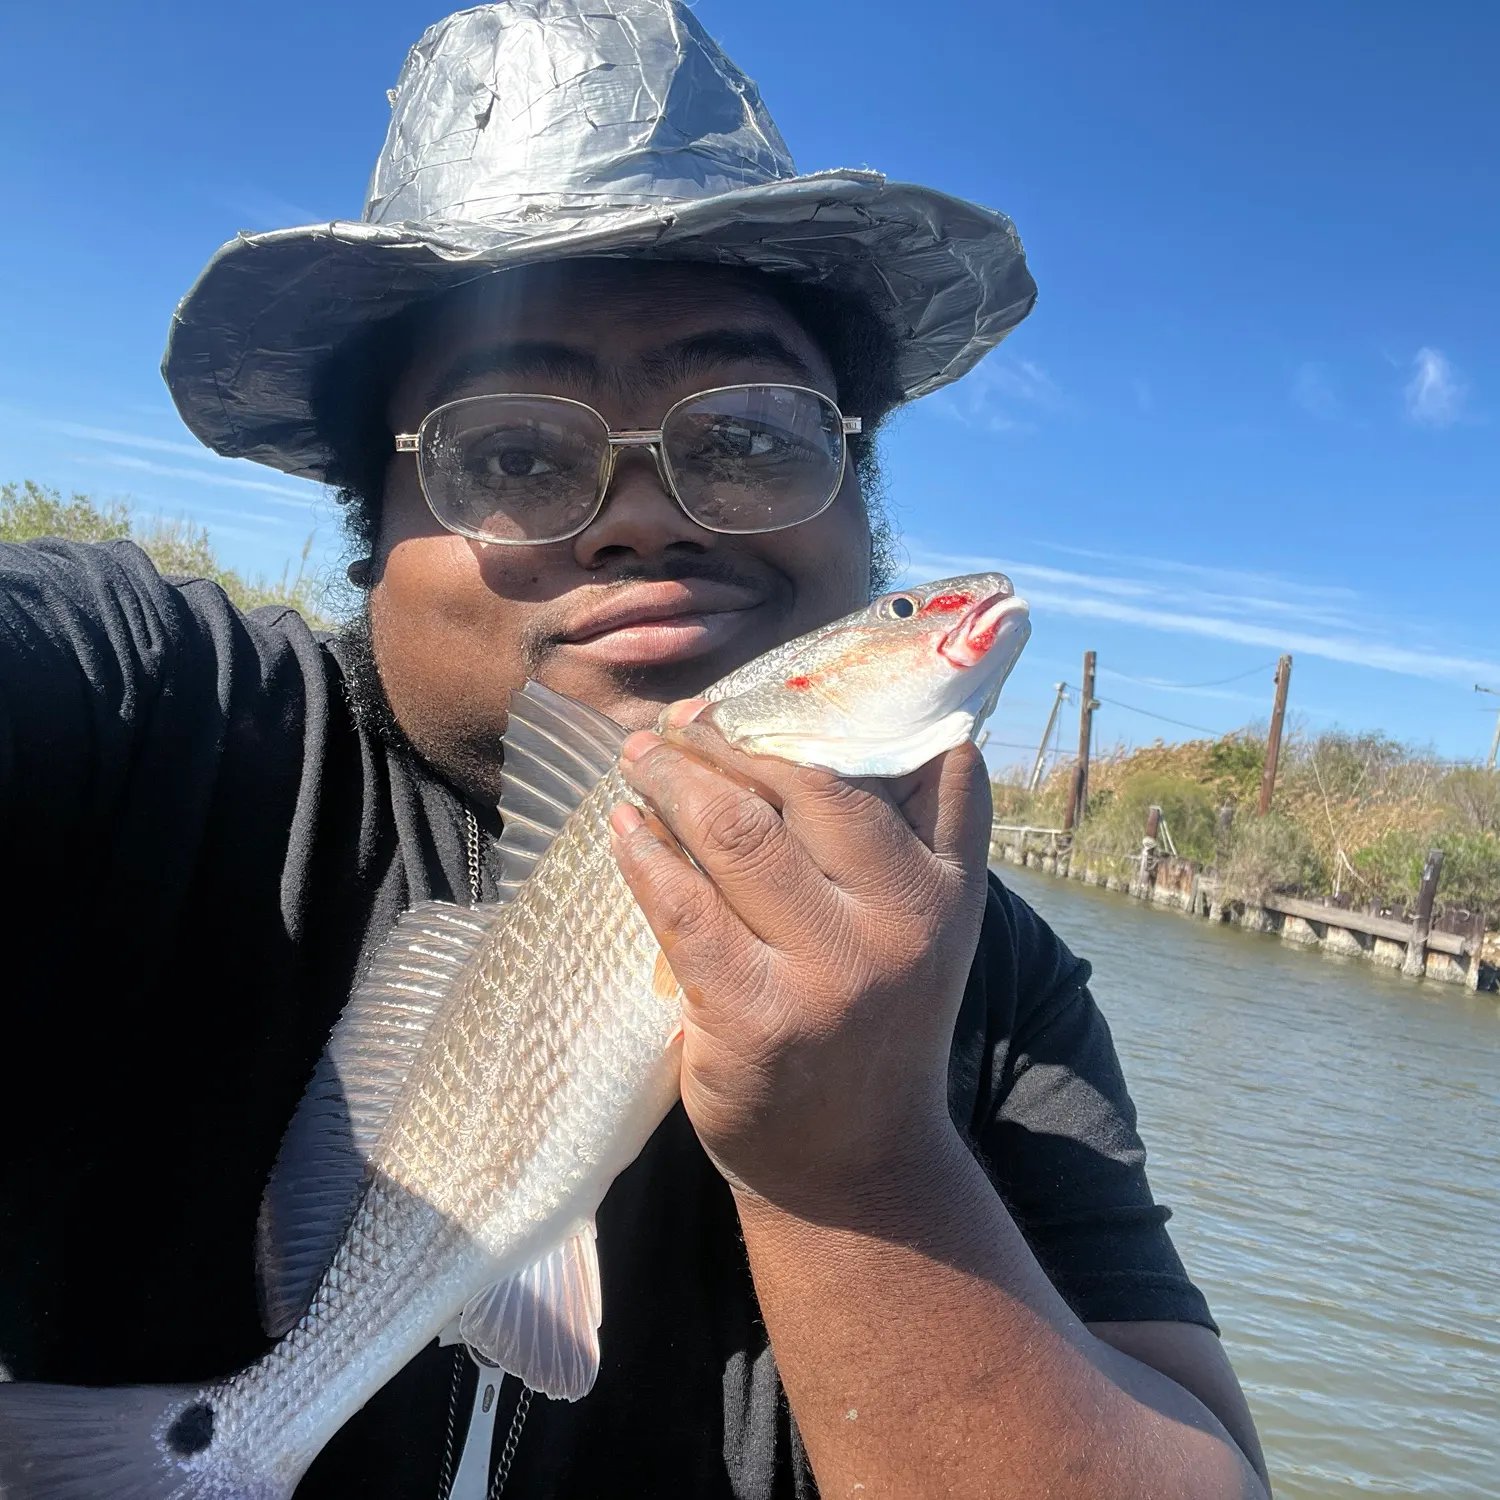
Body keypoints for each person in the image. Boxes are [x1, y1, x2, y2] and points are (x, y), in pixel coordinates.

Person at [0, 3, 1270, 1496]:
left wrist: (863, 1160)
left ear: (857, 500)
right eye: (514, 455)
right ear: (374, 541)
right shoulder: (161, 718)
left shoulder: (1002, 983)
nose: (643, 512)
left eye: (746, 435)